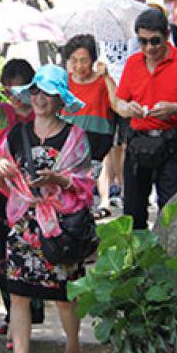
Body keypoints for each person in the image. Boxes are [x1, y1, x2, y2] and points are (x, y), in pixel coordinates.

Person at [0, 64, 94, 353]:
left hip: (61, 229)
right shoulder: (16, 134)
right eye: (36, 90)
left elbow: (85, 184)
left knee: (63, 297)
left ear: (61, 99)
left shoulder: (75, 137)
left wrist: (57, 180)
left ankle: (72, 347)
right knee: (19, 294)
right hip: (23, 226)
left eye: (49, 92)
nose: (40, 98)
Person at [116, 10, 177, 229]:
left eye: (154, 41)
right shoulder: (133, 63)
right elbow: (118, 103)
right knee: (133, 211)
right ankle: (135, 259)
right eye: (143, 42)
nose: (149, 48)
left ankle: (166, 258)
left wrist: (174, 109)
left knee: (169, 211)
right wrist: (128, 108)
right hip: (138, 143)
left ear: (166, 35)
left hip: (172, 143)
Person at [0, 59, 44, 345]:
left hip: (28, 196)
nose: (13, 98)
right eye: (8, 91)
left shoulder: (42, 112)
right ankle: (10, 317)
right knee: (2, 255)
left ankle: (31, 315)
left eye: (18, 91)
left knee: (30, 254)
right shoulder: (0, 112)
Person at [60, 35, 117, 219]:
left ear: (92, 59)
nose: (79, 66)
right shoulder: (64, 82)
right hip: (71, 137)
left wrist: (107, 76)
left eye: (84, 60)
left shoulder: (102, 81)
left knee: (98, 166)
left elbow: (116, 102)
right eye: (74, 60)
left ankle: (104, 201)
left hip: (98, 135)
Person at [97, 0, 135, 209]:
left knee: (125, 143)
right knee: (106, 143)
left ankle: (125, 187)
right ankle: (109, 192)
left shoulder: (133, 13)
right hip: (103, 85)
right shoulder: (97, 14)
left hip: (128, 88)